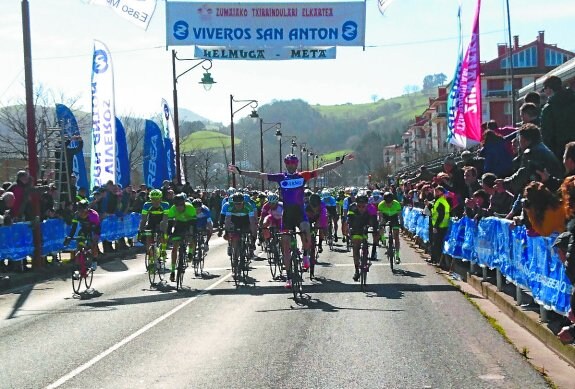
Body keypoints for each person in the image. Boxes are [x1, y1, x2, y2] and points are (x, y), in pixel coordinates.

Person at [228, 153, 353, 289]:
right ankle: (288, 276)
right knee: (286, 247)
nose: (291, 165)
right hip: (287, 215)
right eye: (289, 163)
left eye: (294, 163)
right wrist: (241, 172)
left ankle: (305, 255)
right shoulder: (281, 177)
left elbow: (322, 169)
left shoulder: (302, 176)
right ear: (286, 164)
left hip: (300, 213)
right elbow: (260, 175)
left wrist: (340, 162)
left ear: (297, 164)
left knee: (306, 230)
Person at [540, 75, 575, 161]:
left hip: (559, 151)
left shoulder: (549, 108)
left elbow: (547, 134)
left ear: (549, 89)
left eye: (544, 89)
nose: (544, 92)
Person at [223, 193, 257, 275]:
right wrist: (226, 231)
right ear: (233, 203)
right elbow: (227, 220)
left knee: (252, 228)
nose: (238, 205)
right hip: (235, 220)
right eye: (236, 204)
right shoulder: (230, 206)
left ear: (243, 202)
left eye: (240, 204)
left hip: (245, 220)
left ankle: (250, 244)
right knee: (235, 239)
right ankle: (235, 258)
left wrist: (253, 237)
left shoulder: (248, 206)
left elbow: (252, 221)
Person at [166, 193, 197, 282]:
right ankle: (172, 271)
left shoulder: (190, 207)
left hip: (189, 223)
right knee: (175, 248)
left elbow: (193, 224)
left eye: (181, 205)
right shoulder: (172, 209)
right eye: (177, 205)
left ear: (184, 203)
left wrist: (192, 234)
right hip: (179, 224)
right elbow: (170, 224)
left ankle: (190, 252)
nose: (179, 207)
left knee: (191, 236)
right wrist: (169, 234)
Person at [347, 194, 378, 281]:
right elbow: (349, 220)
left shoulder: (371, 208)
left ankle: (367, 253)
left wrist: (376, 230)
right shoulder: (352, 207)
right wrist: (349, 229)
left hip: (366, 224)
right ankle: (357, 270)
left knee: (366, 238)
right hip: (356, 226)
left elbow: (375, 221)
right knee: (356, 246)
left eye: (363, 206)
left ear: (367, 204)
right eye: (359, 206)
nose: (361, 208)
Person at [63, 199, 101, 270]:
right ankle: (77, 269)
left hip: (94, 230)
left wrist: (94, 239)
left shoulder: (93, 215)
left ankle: (94, 261)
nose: (81, 212)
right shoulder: (77, 215)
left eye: (82, 210)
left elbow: (97, 228)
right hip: (84, 230)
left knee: (93, 244)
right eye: (79, 210)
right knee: (79, 246)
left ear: (87, 209)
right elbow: (74, 228)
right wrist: (69, 237)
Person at [138, 189, 169, 262]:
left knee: (163, 230)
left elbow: (165, 219)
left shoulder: (165, 205)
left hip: (161, 220)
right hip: (151, 221)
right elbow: (143, 220)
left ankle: (163, 249)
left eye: (157, 199)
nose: (155, 201)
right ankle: (150, 255)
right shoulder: (146, 205)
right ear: (150, 199)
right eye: (153, 199)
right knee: (148, 234)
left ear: (161, 199)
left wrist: (162, 230)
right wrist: (140, 231)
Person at [378, 191, 402, 263]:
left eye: (390, 203)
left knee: (396, 237)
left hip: (394, 217)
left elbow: (400, 216)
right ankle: (383, 239)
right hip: (385, 216)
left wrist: (401, 223)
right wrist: (381, 224)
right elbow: (380, 216)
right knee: (380, 226)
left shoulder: (397, 204)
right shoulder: (381, 205)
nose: (388, 204)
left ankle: (397, 256)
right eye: (387, 203)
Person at [430, 186, 450, 266]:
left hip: (440, 225)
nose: (435, 193)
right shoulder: (442, 200)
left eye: (436, 191)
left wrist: (435, 226)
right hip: (442, 225)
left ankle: (438, 261)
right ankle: (437, 260)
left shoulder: (441, 201)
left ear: (440, 192)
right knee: (438, 243)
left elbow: (440, 215)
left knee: (437, 243)